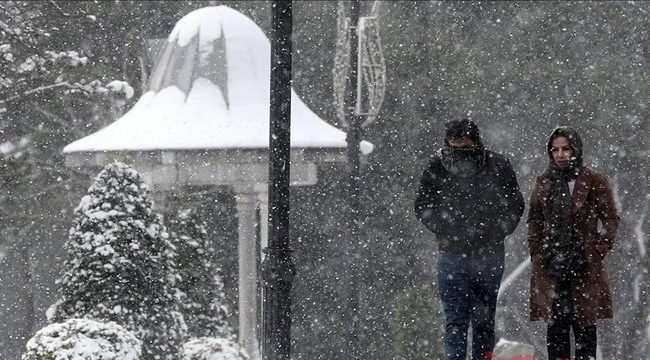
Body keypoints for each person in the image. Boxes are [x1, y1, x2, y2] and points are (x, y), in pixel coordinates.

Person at [414, 118, 525, 360]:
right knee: (458, 321)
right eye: (454, 147)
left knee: (480, 322)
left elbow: (515, 206)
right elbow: (422, 205)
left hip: (486, 255)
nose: (458, 153)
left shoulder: (498, 165)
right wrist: (443, 228)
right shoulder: (437, 166)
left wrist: (496, 231)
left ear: (475, 142)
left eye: (463, 147)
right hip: (454, 254)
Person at [527, 126, 619, 360]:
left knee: (585, 331)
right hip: (552, 266)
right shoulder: (544, 181)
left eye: (566, 149)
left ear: (575, 149)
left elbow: (611, 218)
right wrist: (539, 253)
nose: (560, 154)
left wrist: (596, 251)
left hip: (584, 266)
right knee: (556, 331)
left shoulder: (593, 180)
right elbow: (534, 219)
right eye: (555, 149)